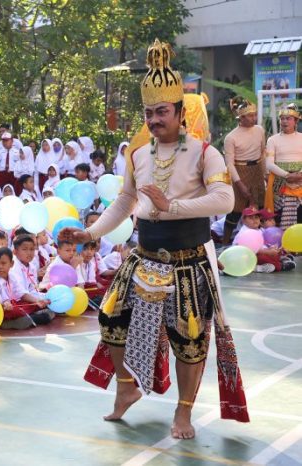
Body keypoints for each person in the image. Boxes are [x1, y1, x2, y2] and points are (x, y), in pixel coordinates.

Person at [70, 39, 248, 439]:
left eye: (162, 111)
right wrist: (90, 232)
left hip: (188, 259)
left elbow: (225, 199)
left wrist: (172, 206)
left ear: (181, 112)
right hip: (144, 254)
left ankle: (183, 412)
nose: (153, 120)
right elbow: (125, 201)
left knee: (188, 338)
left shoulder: (205, 152)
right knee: (111, 318)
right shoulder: (138, 154)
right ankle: (126, 388)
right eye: (148, 113)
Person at [221, 97, 267, 245]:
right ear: (241, 118)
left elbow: (262, 153)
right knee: (236, 210)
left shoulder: (259, 130)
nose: (254, 118)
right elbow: (229, 164)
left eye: (255, 114)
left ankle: (261, 241)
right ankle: (225, 243)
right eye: (250, 115)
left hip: (257, 169)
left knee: (259, 207)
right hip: (240, 171)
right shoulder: (231, 137)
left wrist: (265, 174)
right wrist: (239, 184)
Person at [0, 247, 52, 330]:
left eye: (3, 263)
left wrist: (37, 301)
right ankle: (8, 323)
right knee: (15, 311)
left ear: (11, 264)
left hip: (10, 306)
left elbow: (21, 293)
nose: (0, 267)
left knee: (32, 303)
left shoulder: (11, 276)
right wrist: (5, 304)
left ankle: (26, 318)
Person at [264, 103, 302, 229]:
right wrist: (287, 175)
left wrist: (299, 175)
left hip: (300, 179)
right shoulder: (272, 140)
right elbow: (269, 164)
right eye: (282, 118)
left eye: (288, 118)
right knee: (279, 217)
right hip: (280, 182)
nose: (284, 121)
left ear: (296, 121)